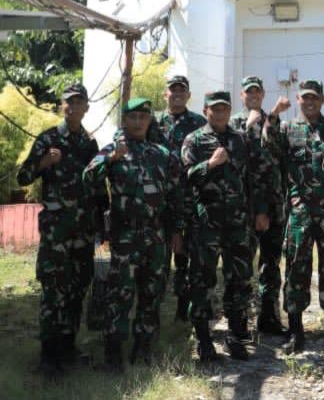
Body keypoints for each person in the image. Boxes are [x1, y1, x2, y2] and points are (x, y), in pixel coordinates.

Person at [83, 98, 184, 371]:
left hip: (156, 237)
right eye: (133, 117)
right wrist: (111, 159)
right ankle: (113, 355)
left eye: (143, 116)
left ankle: (143, 350)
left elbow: (175, 194)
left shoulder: (163, 154)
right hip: (122, 238)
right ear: (124, 121)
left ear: (149, 120)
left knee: (152, 295)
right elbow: (88, 178)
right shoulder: (112, 150)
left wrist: (176, 230)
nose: (138, 121)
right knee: (119, 296)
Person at [17, 83, 100, 378]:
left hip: (83, 232)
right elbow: (23, 177)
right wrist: (44, 162)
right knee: (54, 293)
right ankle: (48, 356)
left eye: (79, 102)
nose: (74, 107)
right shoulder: (48, 139)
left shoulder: (90, 144)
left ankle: (68, 347)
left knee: (77, 290)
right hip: (57, 233)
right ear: (62, 106)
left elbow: (96, 186)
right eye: (69, 102)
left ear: (86, 107)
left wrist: (101, 227)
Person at [182, 90, 271, 363]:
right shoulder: (194, 139)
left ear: (230, 110)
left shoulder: (239, 139)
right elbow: (184, 179)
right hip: (206, 223)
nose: (220, 113)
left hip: (236, 224)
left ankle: (235, 336)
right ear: (206, 110)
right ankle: (204, 339)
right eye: (215, 109)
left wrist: (260, 212)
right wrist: (209, 164)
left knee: (239, 281)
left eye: (224, 109)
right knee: (202, 281)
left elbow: (254, 178)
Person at [263, 79, 324, 353]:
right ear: (298, 100)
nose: (309, 102)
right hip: (300, 211)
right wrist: (274, 114)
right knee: (297, 268)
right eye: (305, 98)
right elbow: (269, 146)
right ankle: (296, 331)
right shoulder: (288, 129)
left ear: (322, 100)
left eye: (315, 98)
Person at [231, 75, 288, 336]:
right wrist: (246, 130)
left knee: (270, 265)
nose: (253, 95)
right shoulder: (232, 124)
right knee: (242, 268)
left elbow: (278, 156)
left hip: (273, 207)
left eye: (257, 91)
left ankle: (268, 318)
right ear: (242, 96)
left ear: (263, 93)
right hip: (245, 210)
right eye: (248, 92)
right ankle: (240, 322)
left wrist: (270, 119)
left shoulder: (273, 122)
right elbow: (235, 160)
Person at [156, 73, 205, 321]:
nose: (176, 94)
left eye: (181, 91)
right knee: (159, 255)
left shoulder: (198, 122)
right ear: (166, 94)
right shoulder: (153, 122)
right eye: (172, 90)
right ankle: (154, 308)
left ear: (188, 95)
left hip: (188, 199)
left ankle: (183, 309)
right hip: (159, 201)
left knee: (186, 255)